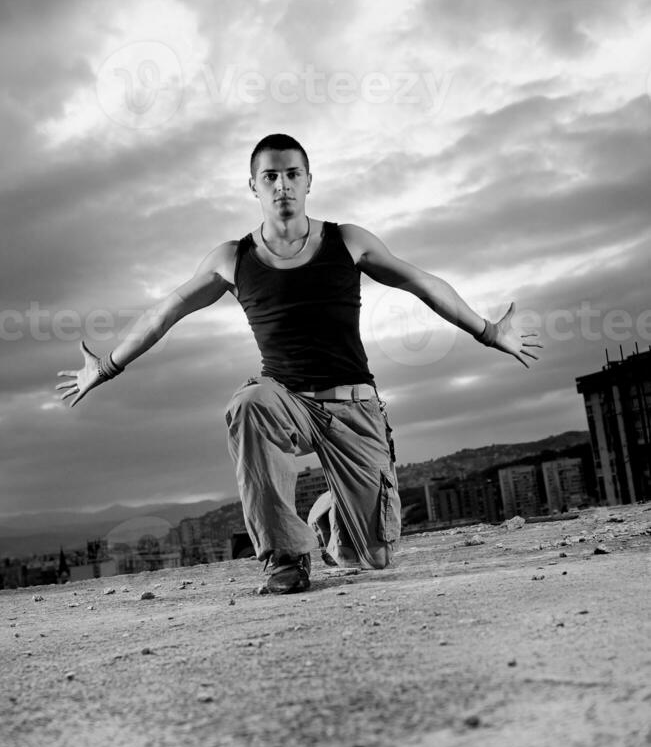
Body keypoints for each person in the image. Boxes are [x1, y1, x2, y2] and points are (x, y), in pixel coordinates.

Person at [56, 133, 542, 594]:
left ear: (309, 180)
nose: (282, 185)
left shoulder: (347, 241)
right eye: (270, 176)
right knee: (249, 404)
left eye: (292, 174)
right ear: (253, 186)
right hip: (285, 401)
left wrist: (488, 331)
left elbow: (423, 283)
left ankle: (327, 515)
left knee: (372, 558)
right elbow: (165, 312)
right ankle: (286, 558)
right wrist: (107, 365)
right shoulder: (232, 258)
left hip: (354, 410)